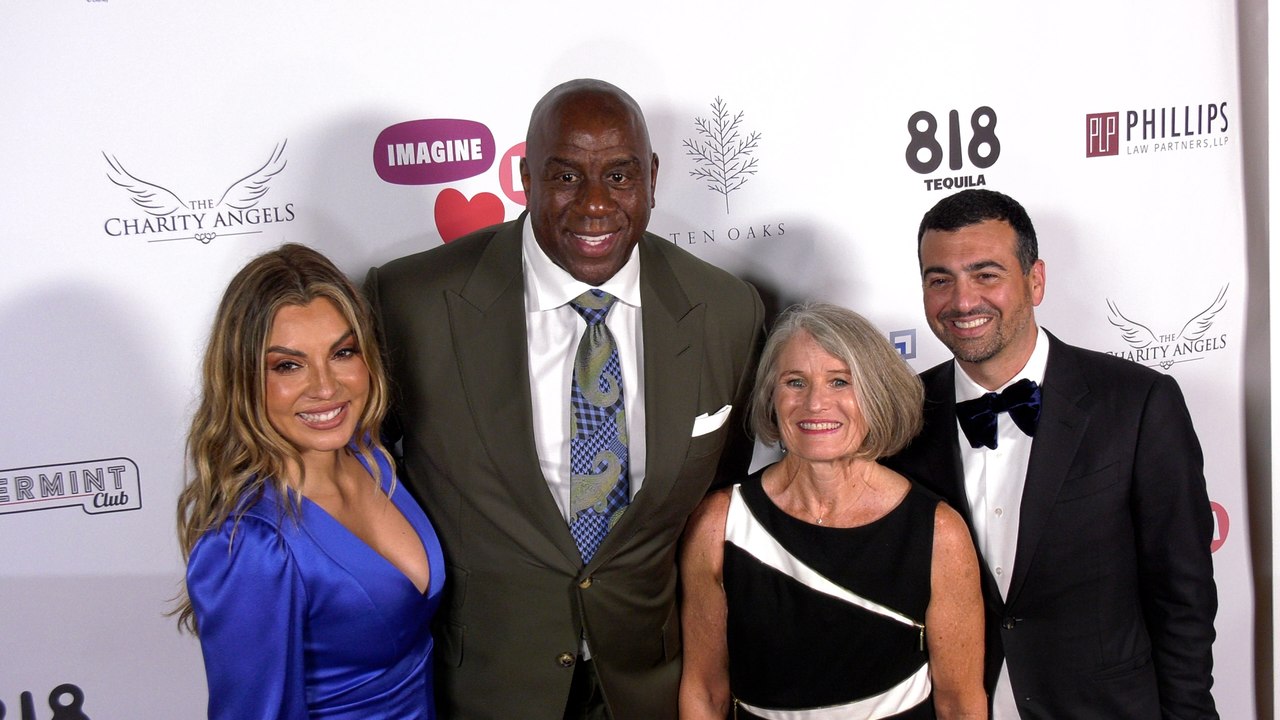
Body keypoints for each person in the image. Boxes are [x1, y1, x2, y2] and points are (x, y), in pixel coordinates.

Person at [364, 78, 764, 720]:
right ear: (525, 176)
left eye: (620, 176)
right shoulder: (411, 302)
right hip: (487, 689)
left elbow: (719, 490)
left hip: (654, 686)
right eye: (567, 176)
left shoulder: (725, 311)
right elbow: (364, 482)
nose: (596, 205)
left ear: (654, 177)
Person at [883, 189, 1218, 718]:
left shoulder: (1138, 403)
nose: (962, 300)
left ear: (1035, 280)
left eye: (986, 274)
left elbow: (1183, 597)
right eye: (939, 279)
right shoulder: (900, 418)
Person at [175, 243, 445, 719]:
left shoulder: (374, 458)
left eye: (342, 353)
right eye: (288, 365)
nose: (325, 387)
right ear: (242, 379)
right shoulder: (249, 544)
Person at [679, 302, 986, 719]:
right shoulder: (720, 523)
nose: (816, 403)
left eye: (840, 381)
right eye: (795, 382)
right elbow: (703, 690)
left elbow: (960, 704)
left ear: (875, 394)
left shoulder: (938, 532)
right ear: (771, 395)